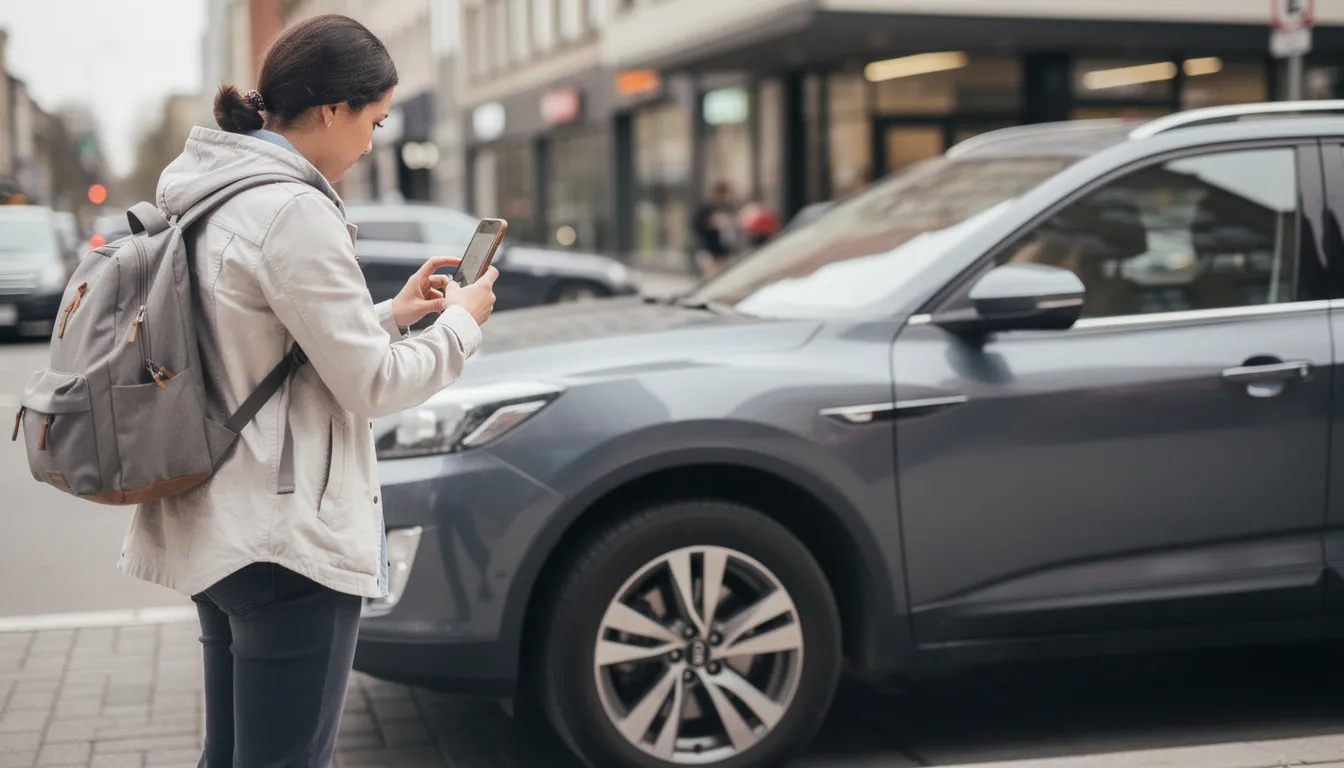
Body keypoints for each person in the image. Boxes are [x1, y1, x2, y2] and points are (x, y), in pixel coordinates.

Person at [112, 15, 497, 767]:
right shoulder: (292, 208)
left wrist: (391, 314)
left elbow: (261, 342)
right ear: (331, 109)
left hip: (219, 521)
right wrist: (460, 325)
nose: (372, 141)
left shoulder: (214, 189)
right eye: (374, 120)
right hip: (286, 542)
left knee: (231, 757)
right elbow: (371, 384)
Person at [692, 180, 739, 277]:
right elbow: (697, 227)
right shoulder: (706, 209)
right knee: (711, 274)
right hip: (709, 249)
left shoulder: (729, 208)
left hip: (725, 250)